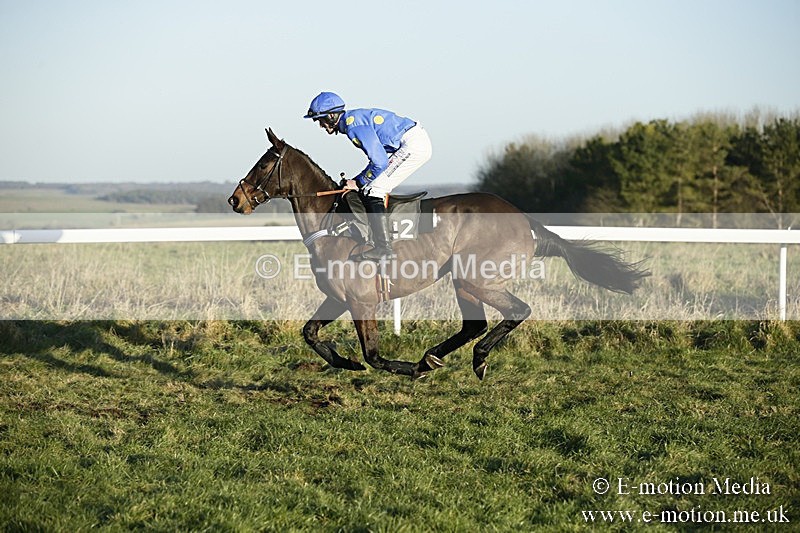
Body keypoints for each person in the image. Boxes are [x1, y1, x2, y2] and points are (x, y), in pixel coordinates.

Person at [304, 91, 432, 262]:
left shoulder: (353, 127)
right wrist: (358, 181)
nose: (321, 125)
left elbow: (379, 163)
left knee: (374, 190)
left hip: (413, 145)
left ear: (333, 116)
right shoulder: (353, 121)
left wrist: (358, 181)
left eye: (322, 119)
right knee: (370, 185)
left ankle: (383, 248)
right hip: (412, 140)